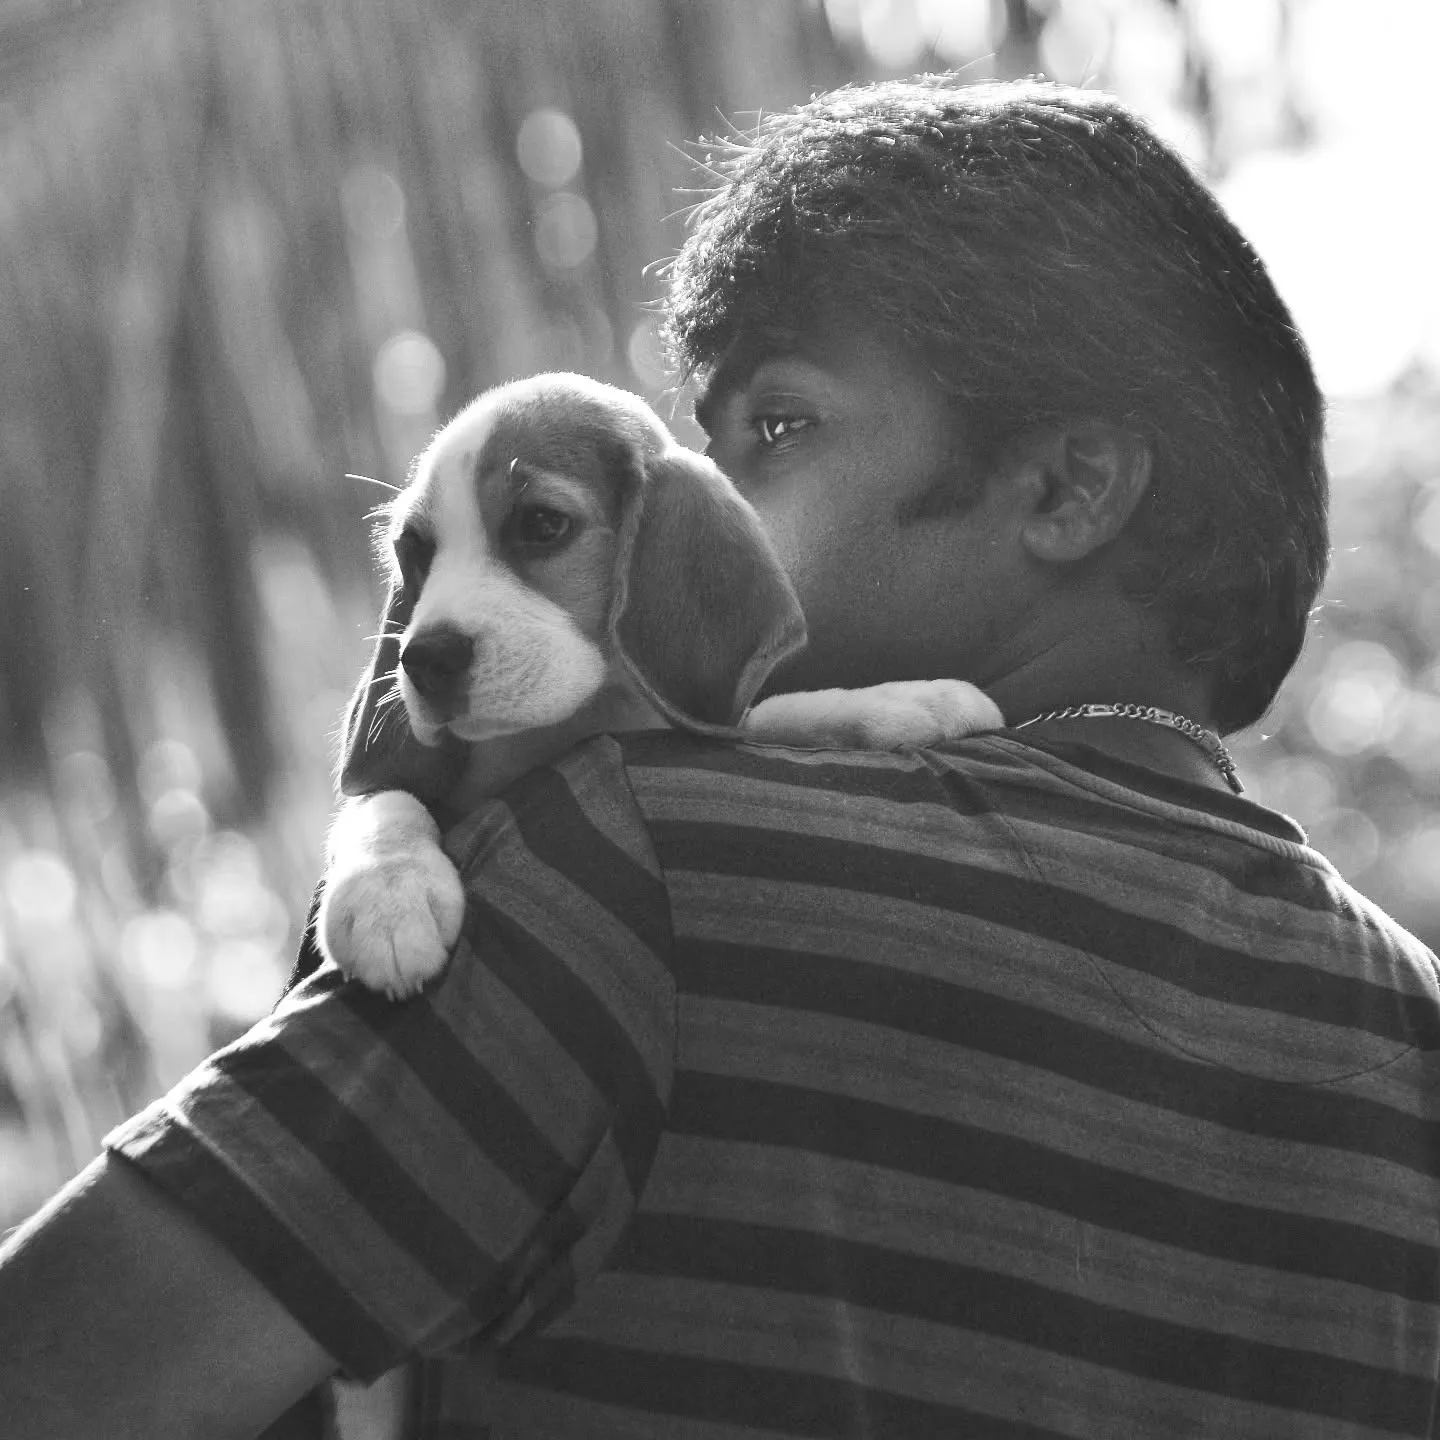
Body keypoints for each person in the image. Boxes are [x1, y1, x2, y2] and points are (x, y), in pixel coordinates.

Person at [2, 73, 1436, 1440]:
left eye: (779, 428)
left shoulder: (640, 859)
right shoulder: (1411, 1035)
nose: (693, 509)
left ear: (1064, 488)